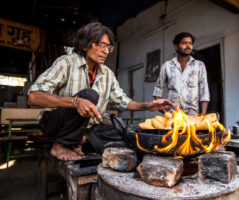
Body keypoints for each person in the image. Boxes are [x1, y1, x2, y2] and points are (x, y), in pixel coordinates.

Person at [28, 22, 174, 161]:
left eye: (109, 47)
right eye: (102, 45)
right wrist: (75, 102)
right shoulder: (67, 62)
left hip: (85, 128)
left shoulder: (107, 74)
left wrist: (150, 105)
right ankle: (61, 145)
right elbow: (34, 97)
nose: (106, 51)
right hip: (55, 124)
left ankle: (79, 139)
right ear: (85, 45)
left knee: (125, 134)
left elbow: (123, 101)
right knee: (89, 95)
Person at [153, 32, 210, 116]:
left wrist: (203, 114)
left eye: (190, 43)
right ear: (176, 47)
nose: (188, 46)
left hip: (192, 115)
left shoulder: (199, 65)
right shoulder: (167, 66)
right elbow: (157, 90)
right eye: (184, 43)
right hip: (173, 115)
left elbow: (204, 91)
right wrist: (164, 112)